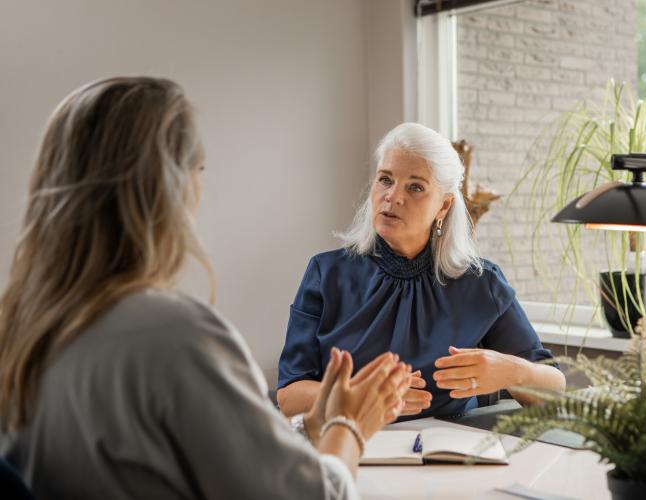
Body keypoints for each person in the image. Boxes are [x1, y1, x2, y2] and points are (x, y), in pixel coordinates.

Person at [0, 77, 410, 500]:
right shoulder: (174, 336)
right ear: (169, 188)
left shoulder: (22, 326)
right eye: (200, 171)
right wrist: (350, 427)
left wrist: (310, 426)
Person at [277, 122, 565, 420]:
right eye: (385, 180)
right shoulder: (327, 274)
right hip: (351, 450)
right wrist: (358, 397)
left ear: (444, 206)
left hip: (448, 457)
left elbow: (554, 388)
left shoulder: (482, 283)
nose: (393, 196)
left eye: (415, 187)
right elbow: (290, 395)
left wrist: (511, 372)